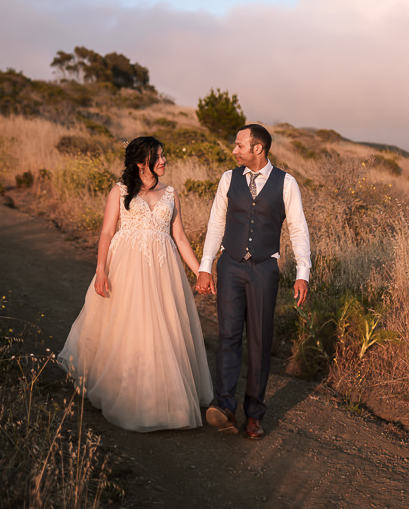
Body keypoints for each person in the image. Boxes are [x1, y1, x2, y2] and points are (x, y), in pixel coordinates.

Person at [58, 136, 213, 431]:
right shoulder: (120, 191)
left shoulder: (171, 193)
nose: (165, 161)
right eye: (159, 156)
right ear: (142, 162)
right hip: (126, 266)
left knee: (164, 327)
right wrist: (101, 270)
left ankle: (166, 398)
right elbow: (106, 232)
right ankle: (127, 393)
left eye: (165, 155)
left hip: (163, 269)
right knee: (127, 325)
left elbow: (179, 237)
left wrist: (200, 271)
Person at [197, 123, 310, 440]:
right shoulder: (228, 179)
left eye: (239, 145)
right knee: (228, 335)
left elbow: (298, 230)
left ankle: (254, 416)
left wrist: (303, 273)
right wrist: (206, 266)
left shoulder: (286, 183)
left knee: (260, 342)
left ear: (257, 148)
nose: (234, 151)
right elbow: (216, 223)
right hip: (230, 265)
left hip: (264, 269)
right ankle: (226, 406)